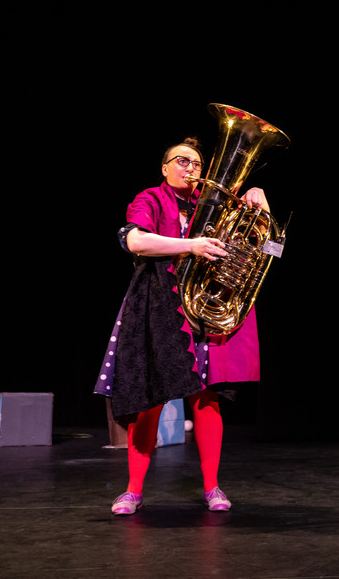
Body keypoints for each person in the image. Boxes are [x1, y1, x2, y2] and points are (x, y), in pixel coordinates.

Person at [94, 136, 269, 515]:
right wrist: (192, 245)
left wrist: (259, 200)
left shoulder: (217, 203)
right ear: (164, 168)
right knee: (150, 400)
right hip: (159, 304)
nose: (191, 169)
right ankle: (133, 491)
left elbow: (264, 246)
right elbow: (136, 241)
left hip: (203, 306)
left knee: (206, 399)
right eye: (182, 161)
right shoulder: (151, 198)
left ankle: (212, 488)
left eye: (197, 164)